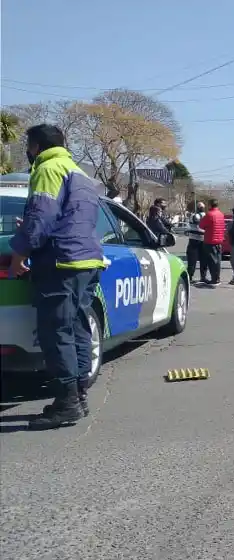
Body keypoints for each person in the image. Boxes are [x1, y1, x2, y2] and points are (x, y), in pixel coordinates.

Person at [9, 124, 106, 430]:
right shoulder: (81, 175)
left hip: (61, 262)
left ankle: (66, 403)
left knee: (56, 333)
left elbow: (41, 217)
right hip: (86, 261)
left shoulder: (48, 169)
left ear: (35, 146)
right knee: (76, 328)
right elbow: (71, 218)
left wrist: (19, 254)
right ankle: (77, 396)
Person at [199, 198, 225, 286]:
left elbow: (201, 225)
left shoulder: (209, 214)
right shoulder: (221, 214)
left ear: (210, 205)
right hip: (219, 240)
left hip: (210, 240)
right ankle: (217, 278)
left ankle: (214, 279)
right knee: (217, 260)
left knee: (211, 261)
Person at [185, 202, 207, 284]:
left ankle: (203, 277)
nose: (201, 208)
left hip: (202, 240)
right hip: (195, 240)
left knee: (203, 260)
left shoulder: (204, 215)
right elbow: (197, 223)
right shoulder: (194, 216)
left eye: (202, 207)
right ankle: (190, 277)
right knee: (192, 260)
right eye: (200, 207)